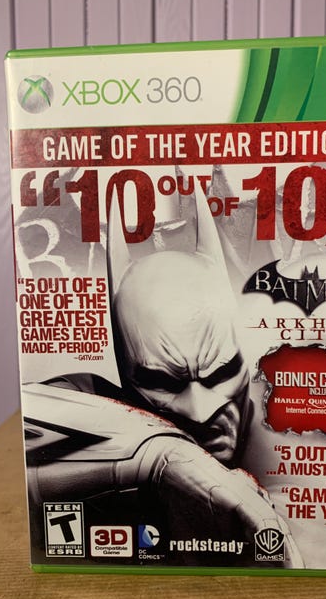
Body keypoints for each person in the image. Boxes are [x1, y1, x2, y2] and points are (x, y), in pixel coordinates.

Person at [24, 188, 302, 567]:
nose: (200, 411)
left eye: (220, 373)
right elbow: (32, 429)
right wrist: (162, 457)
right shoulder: (92, 402)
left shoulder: (283, 431)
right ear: (125, 371)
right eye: (164, 383)